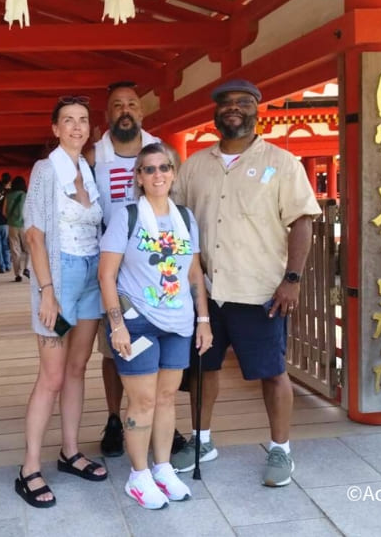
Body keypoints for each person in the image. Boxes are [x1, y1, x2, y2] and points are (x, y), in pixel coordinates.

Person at [170, 79, 322, 487]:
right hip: (205, 291)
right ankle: (202, 440)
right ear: (216, 114)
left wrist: (292, 279)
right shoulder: (195, 165)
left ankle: (280, 449)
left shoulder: (282, 163)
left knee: (272, 371)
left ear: (258, 111)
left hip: (260, 289)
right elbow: (175, 221)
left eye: (242, 102)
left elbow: (302, 221)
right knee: (203, 366)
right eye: (225, 104)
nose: (232, 109)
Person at [98, 143, 213, 510]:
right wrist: (116, 326)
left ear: (174, 173)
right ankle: (138, 474)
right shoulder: (126, 216)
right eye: (149, 169)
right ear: (139, 177)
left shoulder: (185, 217)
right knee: (143, 400)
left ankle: (162, 468)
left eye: (165, 167)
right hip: (137, 321)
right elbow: (106, 275)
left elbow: (194, 272)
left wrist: (203, 319)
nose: (158, 175)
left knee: (165, 399)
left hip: (178, 321)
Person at [15, 95, 108, 509]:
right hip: (60, 277)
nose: (76, 127)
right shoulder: (45, 169)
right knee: (50, 377)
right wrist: (46, 291)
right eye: (67, 121)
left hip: (90, 275)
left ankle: (70, 451)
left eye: (83, 120)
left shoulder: (86, 168)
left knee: (76, 368)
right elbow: (33, 233)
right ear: (54, 128)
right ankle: (29, 468)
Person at [84, 81, 169, 459]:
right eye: (117, 105)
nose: (125, 111)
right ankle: (115, 418)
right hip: (109, 265)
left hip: (152, 263)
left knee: (157, 338)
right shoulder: (93, 156)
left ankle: (157, 418)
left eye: (132, 104)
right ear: (108, 114)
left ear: (142, 111)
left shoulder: (158, 151)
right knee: (112, 348)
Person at [5, 176, 28, 282]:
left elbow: (4, 212)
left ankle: (17, 274)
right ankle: (27, 268)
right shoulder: (26, 196)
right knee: (29, 249)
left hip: (12, 225)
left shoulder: (8, 196)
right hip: (25, 225)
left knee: (15, 250)